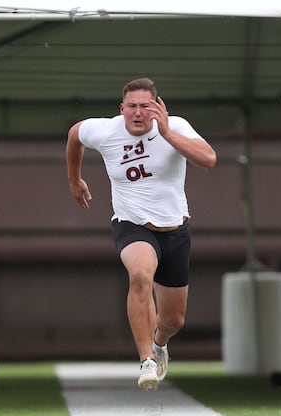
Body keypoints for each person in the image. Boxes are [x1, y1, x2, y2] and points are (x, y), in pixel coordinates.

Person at [66, 77, 216, 391]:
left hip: (174, 229)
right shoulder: (107, 131)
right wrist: (74, 179)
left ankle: (160, 343)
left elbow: (208, 159)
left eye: (145, 107)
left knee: (174, 320)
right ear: (122, 109)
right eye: (131, 107)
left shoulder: (175, 126)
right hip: (131, 224)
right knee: (139, 275)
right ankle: (146, 360)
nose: (138, 113)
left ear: (157, 107)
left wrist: (167, 134)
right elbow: (74, 134)